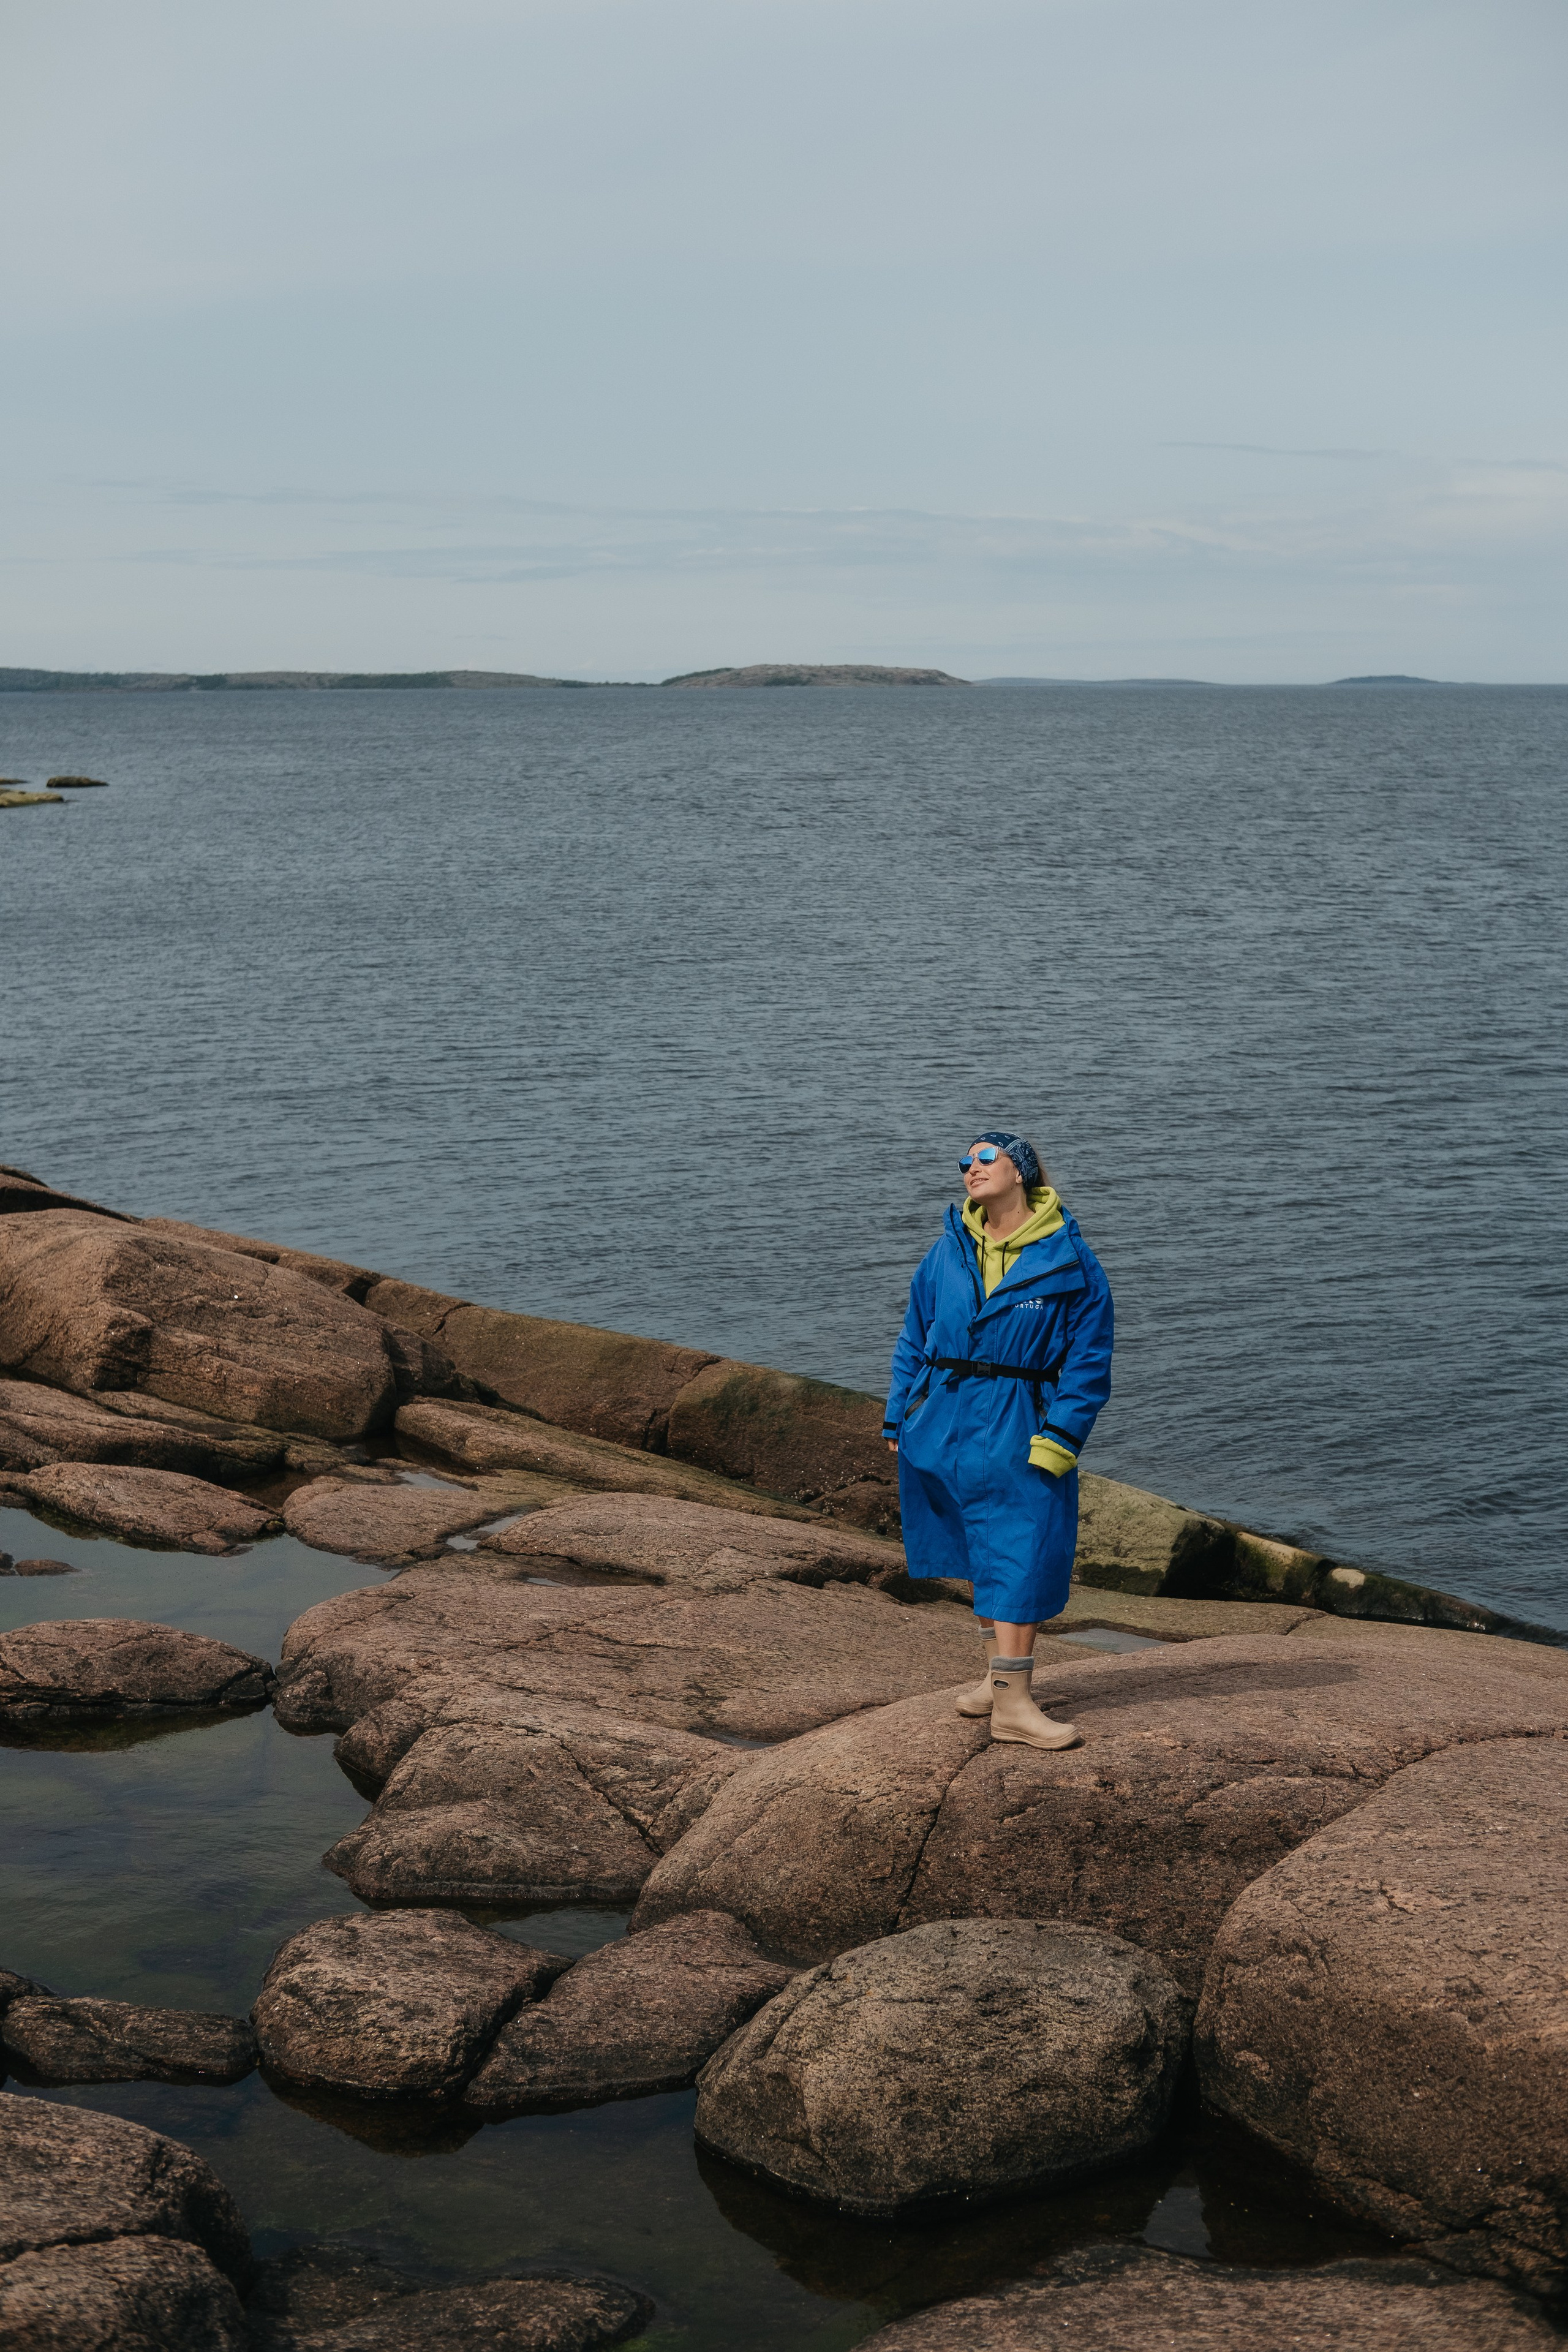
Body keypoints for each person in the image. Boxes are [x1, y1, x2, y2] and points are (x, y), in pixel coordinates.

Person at [883, 1131, 1114, 1749]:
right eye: (965, 1162)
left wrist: (1060, 1435)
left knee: (1020, 1549)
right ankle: (997, 1680)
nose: (970, 1169)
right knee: (972, 1546)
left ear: (1022, 1172)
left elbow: (1089, 1361)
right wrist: (899, 1416)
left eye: (986, 1158)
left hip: (1021, 1419)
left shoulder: (1068, 1259)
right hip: (946, 1414)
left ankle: (1013, 1704)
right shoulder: (946, 1253)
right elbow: (913, 1338)